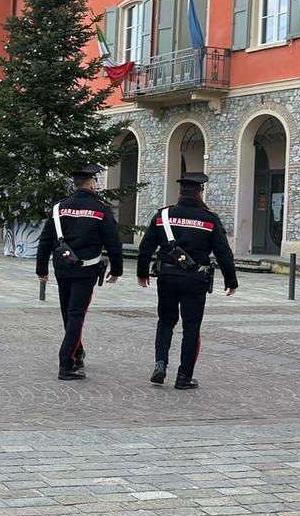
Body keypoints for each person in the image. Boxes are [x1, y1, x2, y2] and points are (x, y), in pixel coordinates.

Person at [136, 172, 238, 389]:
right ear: (200, 192)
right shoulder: (210, 219)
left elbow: (145, 248)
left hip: (167, 277)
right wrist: (231, 280)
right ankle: (184, 377)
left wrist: (142, 273)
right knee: (191, 327)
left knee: (165, 321)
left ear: (180, 192)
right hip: (195, 279)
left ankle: (160, 364)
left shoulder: (162, 216)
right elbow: (223, 253)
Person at [36, 163, 124, 381]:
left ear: (74, 186)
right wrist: (117, 269)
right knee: (76, 315)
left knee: (68, 313)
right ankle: (67, 364)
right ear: (92, 184)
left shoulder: (59, 208)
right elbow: (113, 242)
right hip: (86, 270)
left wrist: (41, 269)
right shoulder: (101, 209)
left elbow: (45, 240)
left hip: (62, 268)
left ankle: (77, 353)